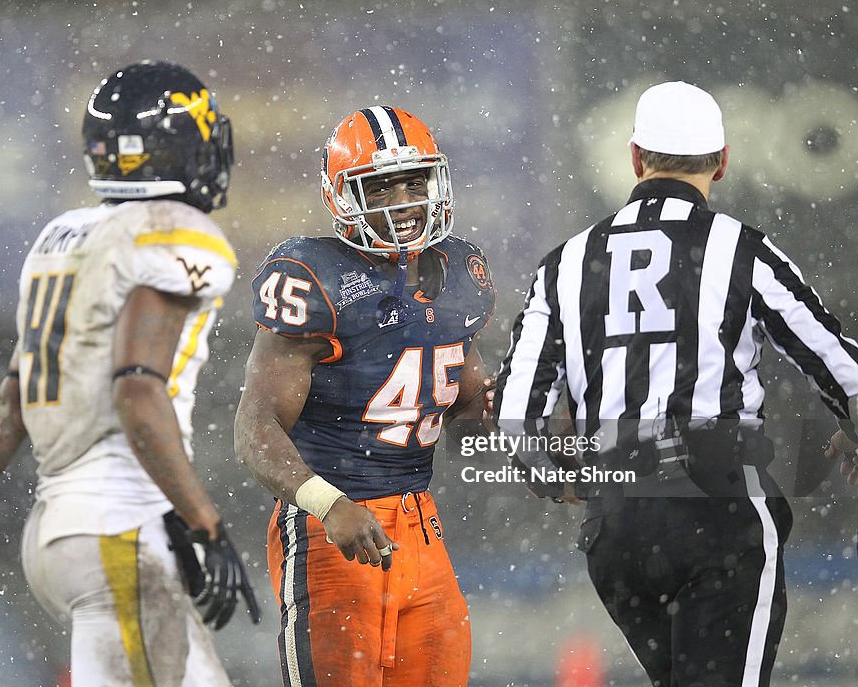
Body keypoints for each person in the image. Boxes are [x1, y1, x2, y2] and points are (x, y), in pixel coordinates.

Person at [0, 60, 260, 687]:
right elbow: (135, 389)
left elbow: (11, 409)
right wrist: (204, 521)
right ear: (180, 147)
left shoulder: (62, 233)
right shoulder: (172, 232)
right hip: (117, 532)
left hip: (60, 534)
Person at [494, 80, 858, 687]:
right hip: (721, 505)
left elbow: (514, 410)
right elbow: (841, 368)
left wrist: (558, 478)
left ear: (636, 159)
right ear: (722, 161)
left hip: (619, 527)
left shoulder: (566, 262)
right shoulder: (739, 249)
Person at [234, 105, 495, 686]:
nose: (402, 201)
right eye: (381, 187)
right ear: (343, 196)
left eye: (413, 181)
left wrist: (518, 415)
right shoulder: (311, 273)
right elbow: (255, 430)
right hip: (333, 525)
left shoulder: (460, 268)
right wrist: (330, 505)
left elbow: (468, 416)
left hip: (421, 526)